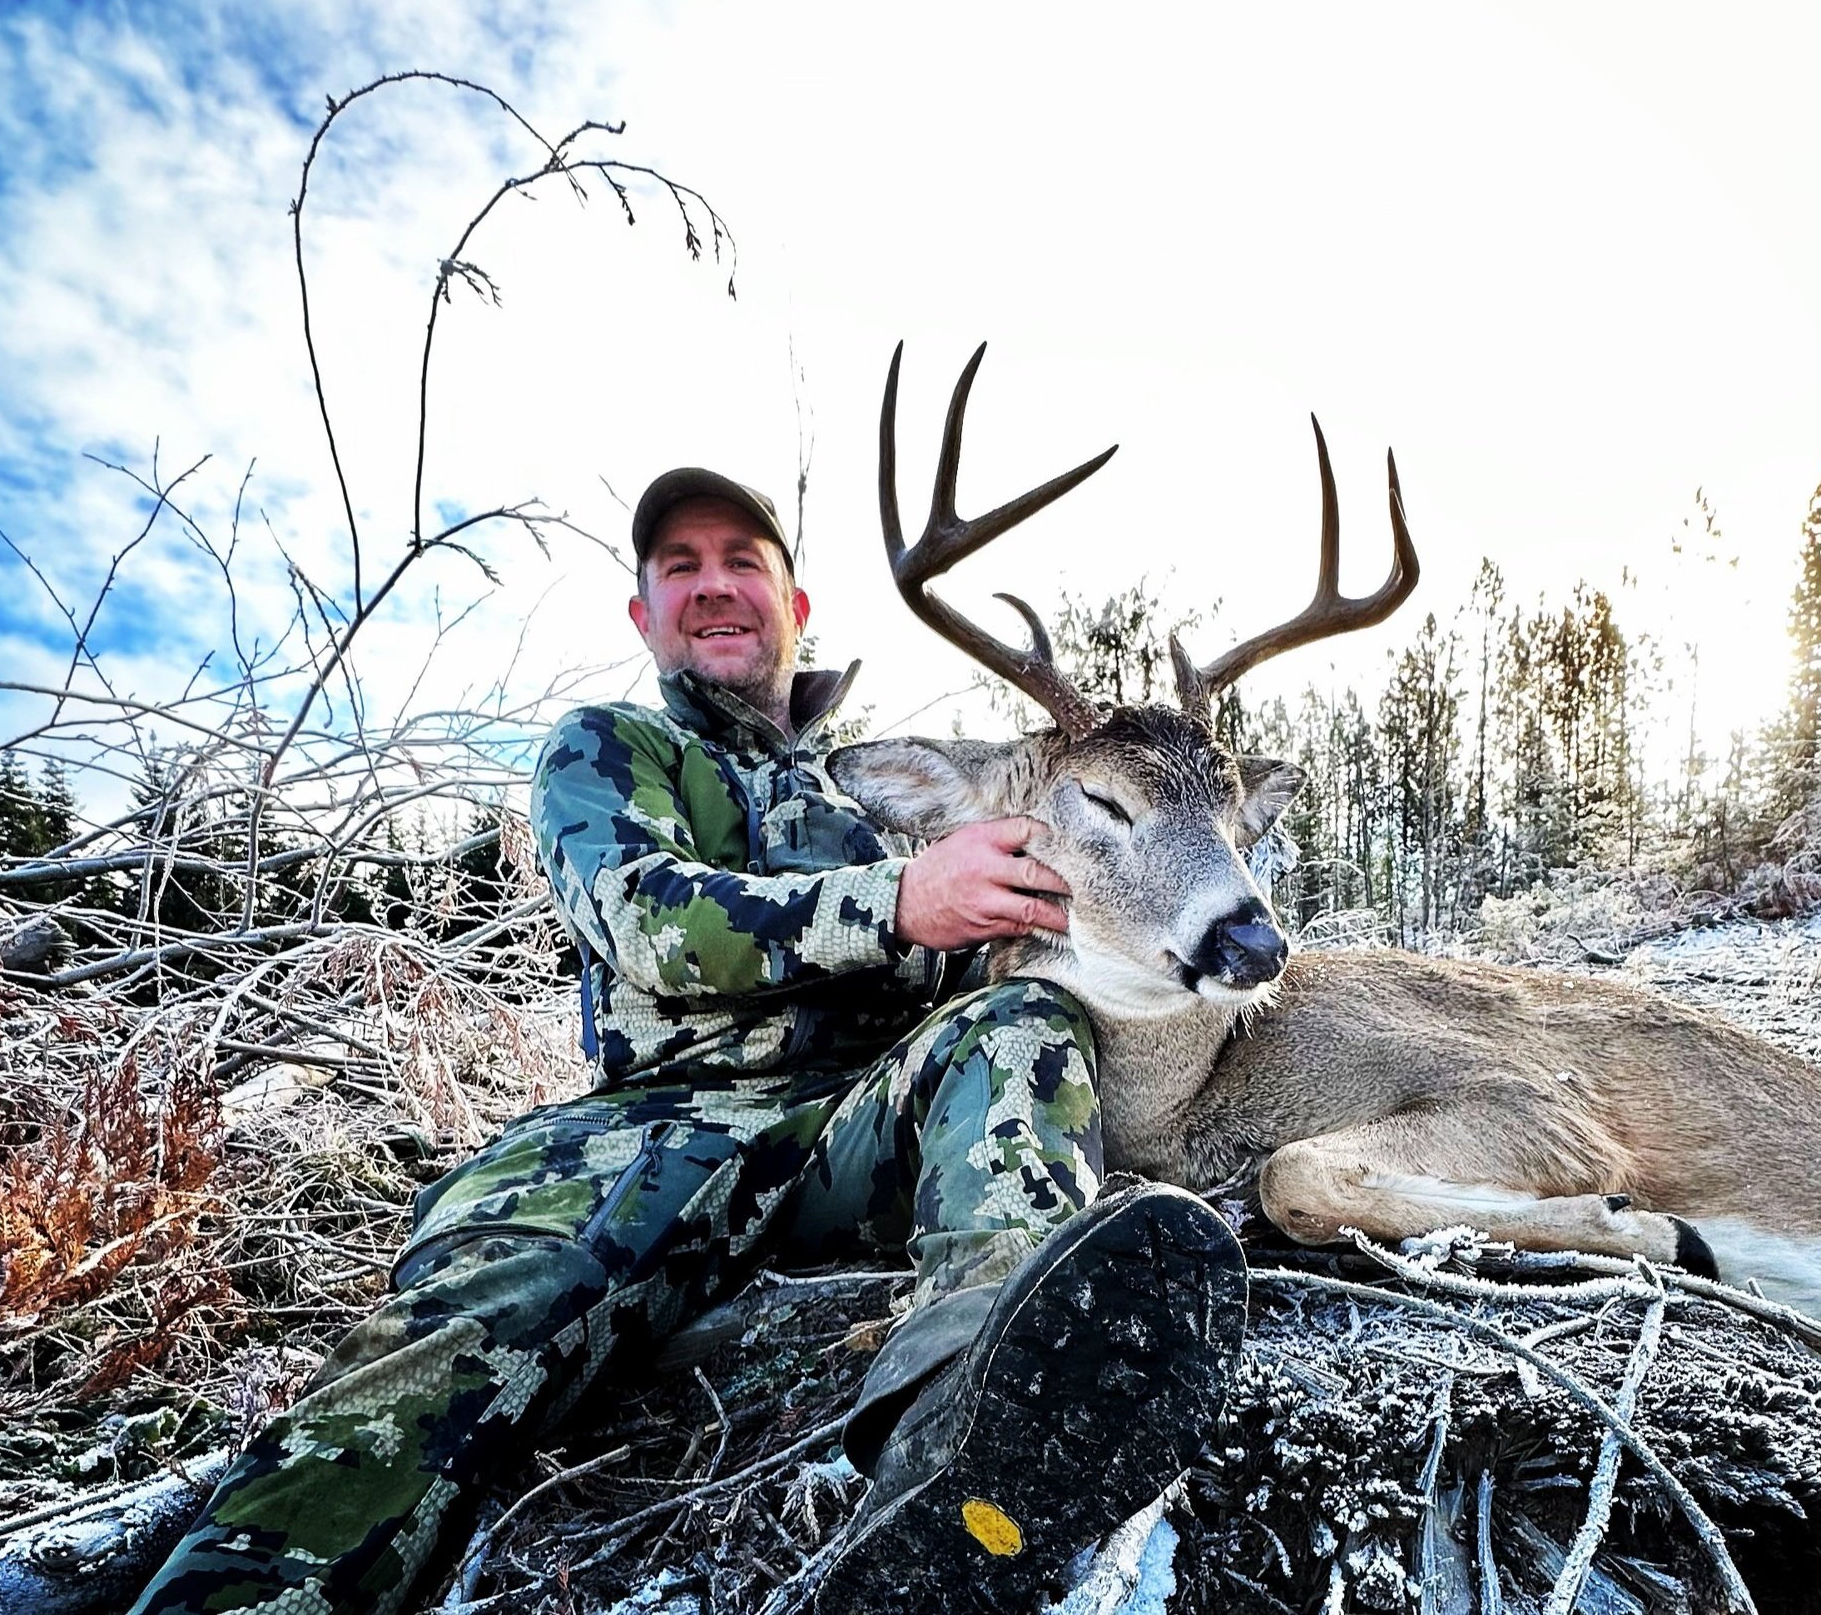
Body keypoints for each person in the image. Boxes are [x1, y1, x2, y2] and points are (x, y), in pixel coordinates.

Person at [128, 468, 1247, 1614]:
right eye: (681, 567)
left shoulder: (873, 797)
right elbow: (646, 919)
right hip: (647, 1137)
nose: (714, 587)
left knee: (1023, 1022)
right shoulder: (610, 751)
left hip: (855, 1127)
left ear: (796, 606)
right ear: (645, 615)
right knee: (450, 1348)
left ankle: (983, 1426)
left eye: (742, 562)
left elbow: (1017, 944)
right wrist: (898, 899)